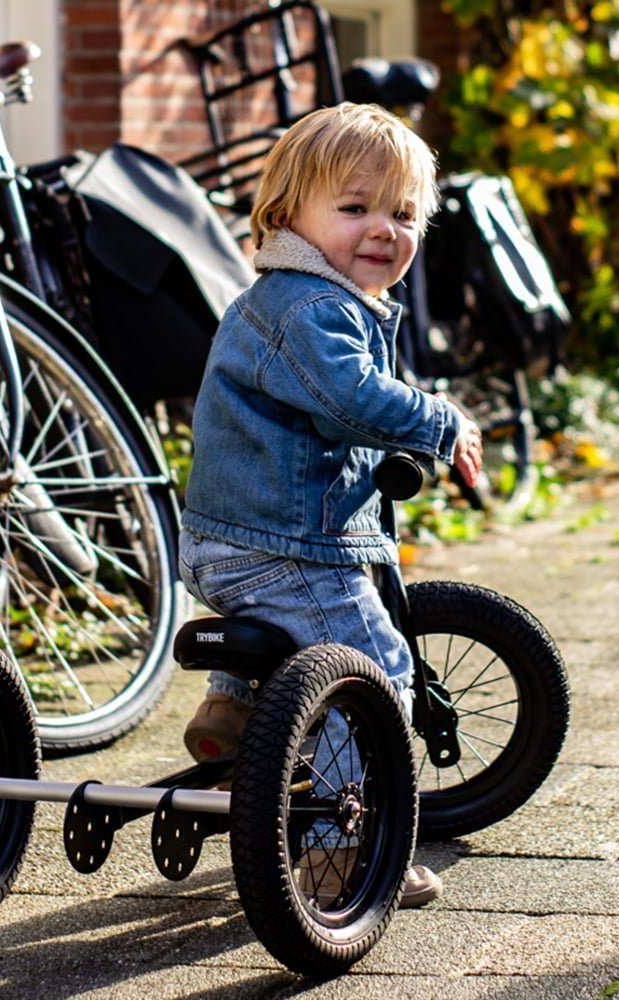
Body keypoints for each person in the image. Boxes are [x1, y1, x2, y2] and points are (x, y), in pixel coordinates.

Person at [178, 102, 483, 908]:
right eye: (354, 208)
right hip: (284, 544)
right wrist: (439, 419)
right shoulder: (315, 310)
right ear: (287, 217)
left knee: (291, 634)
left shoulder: (293, 298)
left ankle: (233, 707)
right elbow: (347, 399)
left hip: (224, 539)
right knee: (374, 674)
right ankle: (339, 848)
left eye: (403, 213)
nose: (383, 228)